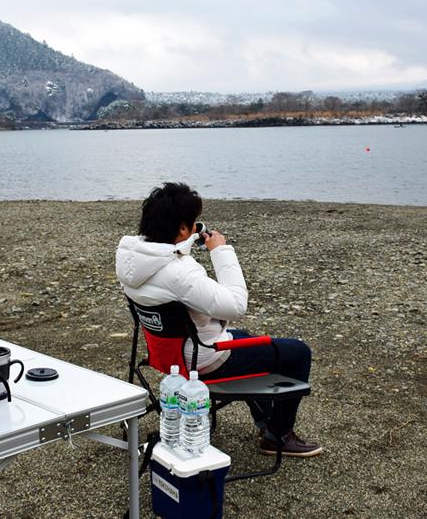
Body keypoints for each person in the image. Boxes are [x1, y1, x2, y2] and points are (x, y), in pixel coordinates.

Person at [115, 182, 322, 457]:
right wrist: (220, 250)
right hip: (202, 359)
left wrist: (187, 243)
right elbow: (236, 305)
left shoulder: (132, 261)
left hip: (163, 356)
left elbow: (172, 280)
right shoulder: (180, 273)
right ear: (181, 229)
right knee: (297, 353)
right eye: (192, 223)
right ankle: (277, 435)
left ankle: (266, 419)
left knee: (246, 338)